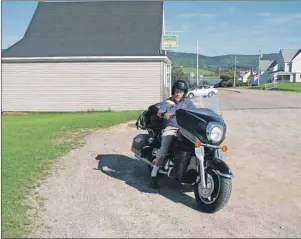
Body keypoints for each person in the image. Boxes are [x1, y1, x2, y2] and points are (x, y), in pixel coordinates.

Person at [150, 79, 197, 189]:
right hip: (171, 129)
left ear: (184, 93)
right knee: (164, 148)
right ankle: (153, 173)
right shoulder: (168, 102)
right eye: (176, 91)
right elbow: (159, 112)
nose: (178, 94)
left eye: (180, 92)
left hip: (185, 129)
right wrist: (165, 114)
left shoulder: (187, 103)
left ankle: (190, 169)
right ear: (173, 91)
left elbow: (196, 112)